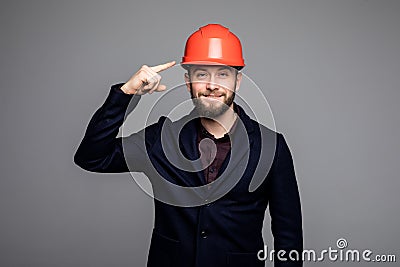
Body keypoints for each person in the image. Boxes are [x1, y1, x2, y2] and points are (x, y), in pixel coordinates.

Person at [74, 24, 303, 267]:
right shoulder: (161, 139)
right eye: (202, 74)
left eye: (223, 74)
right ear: (188, 81)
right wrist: (126, 94)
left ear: (237, 81)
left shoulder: (271, 146)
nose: (212, 85)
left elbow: (288, 237)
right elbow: (92, 157)